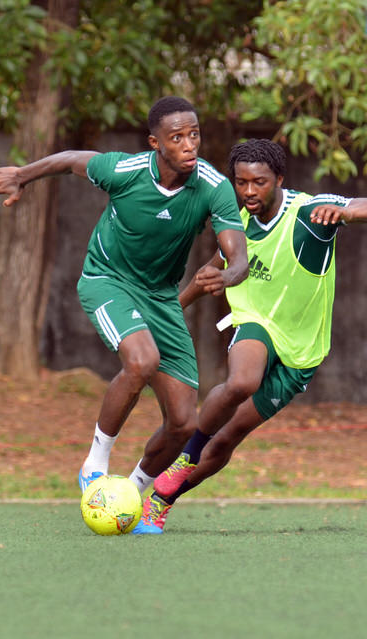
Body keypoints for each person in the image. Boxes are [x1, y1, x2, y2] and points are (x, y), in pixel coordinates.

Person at [0, 96, 248, 497]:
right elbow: (70, 159)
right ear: (156, 143)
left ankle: (132, 492)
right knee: (141, 361)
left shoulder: (213, 187)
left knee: (184, 423)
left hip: (160, 296)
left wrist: (229, 275)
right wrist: (22, 174)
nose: (189, 144)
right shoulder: (126, 170)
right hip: (107, 280)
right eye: (177, 137)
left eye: (194, 134)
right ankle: (95, 462)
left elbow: (237, 253)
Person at [132, 137, 367, 534]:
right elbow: (211, 270)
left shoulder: (309, 212)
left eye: (258, 182)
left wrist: (349, 213)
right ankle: (186, 457)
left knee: (225, 441)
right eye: (240, 183)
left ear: (279, 178)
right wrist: (167, 314)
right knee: (242, 380)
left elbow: (358, 206)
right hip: (254, 321)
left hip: (301, 350)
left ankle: (160, 500)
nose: (248, 192)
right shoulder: (236, 221)